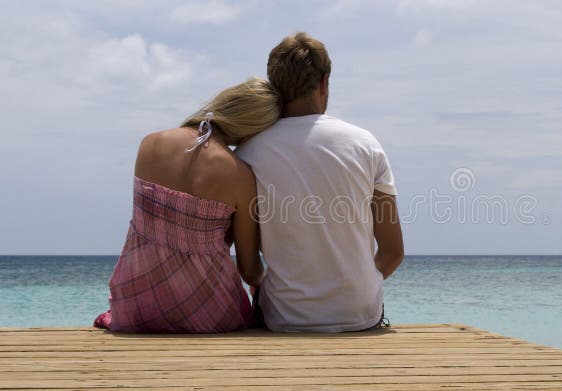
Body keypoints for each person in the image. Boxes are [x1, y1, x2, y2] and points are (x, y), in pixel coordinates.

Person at [236, 32, 404, 332]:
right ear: (324, 82)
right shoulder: (366, 144)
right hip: (360, 315)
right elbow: (392, 252)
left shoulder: (249, 151)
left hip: (284, 319)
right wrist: (358, 288)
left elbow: (249, 269)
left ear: (275, 86)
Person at [94, 77, 280, 333]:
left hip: (135, 307)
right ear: (254, 130)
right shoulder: (241, 176)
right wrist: (265, 287)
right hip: (209, 313)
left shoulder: (150, 143)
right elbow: (248, 269)